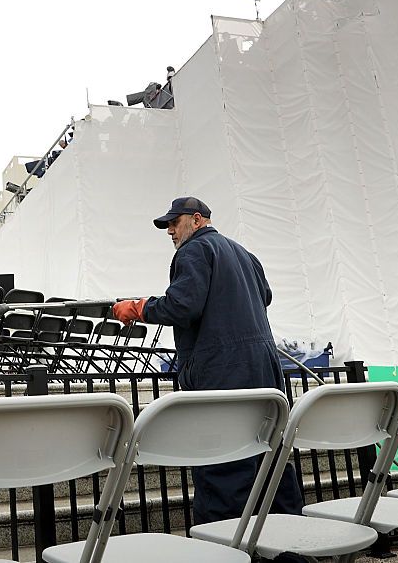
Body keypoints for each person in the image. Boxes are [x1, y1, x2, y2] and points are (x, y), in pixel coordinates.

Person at [112, 196, 304, 537]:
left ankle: (220, 549)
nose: (170, 230)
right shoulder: (245, 254)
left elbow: (183, 305)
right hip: (264, 369)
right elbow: (266, 297)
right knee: (269, 458)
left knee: (221, 462)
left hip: (220, 371)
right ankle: (287, 547)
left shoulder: (193, 251)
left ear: (197, 220)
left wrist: (140, 308)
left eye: (174, 222)